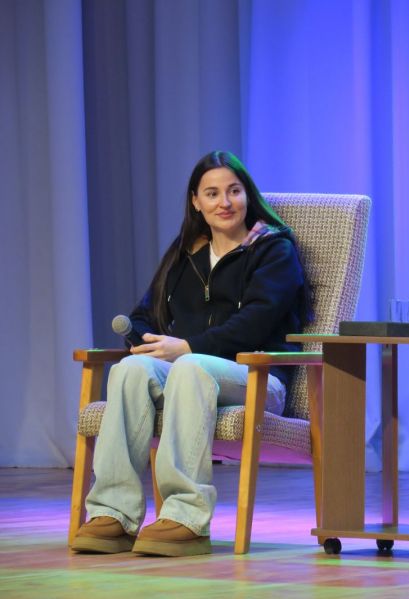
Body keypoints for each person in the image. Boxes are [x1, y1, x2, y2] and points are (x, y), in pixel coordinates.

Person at [70, 151, 310, 557]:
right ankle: (113, 514)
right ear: (196, 202)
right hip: (189, 372)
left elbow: (255, 322)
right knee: (131, 369)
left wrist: (186, 347)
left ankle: (186, 517)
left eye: (234, 191)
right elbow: (145, 314)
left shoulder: (273, 249)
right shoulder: (186, 255)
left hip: (257, 377)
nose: (225, 202)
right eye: (212, 194)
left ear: (247, 195)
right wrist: (145, 342)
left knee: (191, 366)